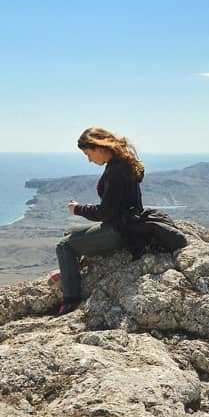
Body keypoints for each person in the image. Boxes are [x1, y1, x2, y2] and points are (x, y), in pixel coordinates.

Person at [54, 126, 145, 314]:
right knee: (71, 233)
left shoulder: (116, 170)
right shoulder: (122, 162)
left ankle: (71, 299)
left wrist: (77, 208)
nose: (89, 159)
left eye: (88, 154)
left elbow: (105, 212)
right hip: (128, 226)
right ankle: (70, 274)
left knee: (64, 246)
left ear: (99, 148)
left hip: (120, 231)